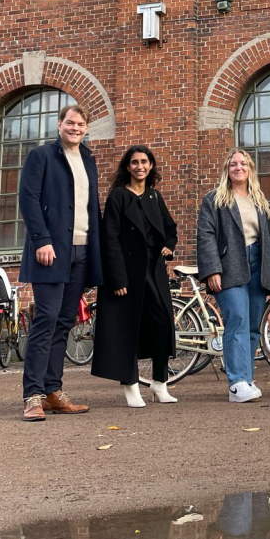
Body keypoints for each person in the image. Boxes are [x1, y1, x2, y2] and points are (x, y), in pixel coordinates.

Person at [18, 104, 103, 422]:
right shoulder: (41, 156)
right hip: (51, 252)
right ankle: (32, 396)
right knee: (46, 320)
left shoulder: (89, 159)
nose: (76, 128)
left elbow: (92, 208)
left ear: (86, 128)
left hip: (81, 253)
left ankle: (53, 391)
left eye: (81, 124)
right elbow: (28, 198)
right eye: (70, 123)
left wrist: (96, 253)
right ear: (59, 125)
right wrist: (41, 240)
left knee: (64, 323)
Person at [91, 145, 178, 407]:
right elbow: (110, 240)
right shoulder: (118, 196)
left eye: (145, 162)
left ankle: (160, 384)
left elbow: (171, 228)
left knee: (162, 322)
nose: (140, 166)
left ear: (151, 166)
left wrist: (169, 247)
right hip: (127, 272)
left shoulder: (154, 197)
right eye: (134, 162)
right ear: (127, 167)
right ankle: (130, 386)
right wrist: (117, 279)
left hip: (154, 269)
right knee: (128, 327)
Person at [197, 148, 270, 403]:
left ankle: (246, 378)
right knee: (236, 319)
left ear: (250, 170)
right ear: (227, 169)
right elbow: (205, 236)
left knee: (252, 325)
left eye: (243, 164)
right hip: (229, 265)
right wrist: (212, 269)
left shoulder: (260, 201)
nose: (238, 167)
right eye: (233, 164)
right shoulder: (214, 199)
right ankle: (236, 383)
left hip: (259, 264)